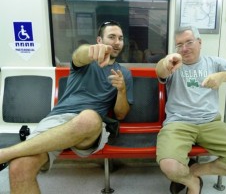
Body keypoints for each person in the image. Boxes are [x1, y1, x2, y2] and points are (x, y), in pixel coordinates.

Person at [0, 20, 133, 193]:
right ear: (99, 40)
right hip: (57, 120)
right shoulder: (84, 63)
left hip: (89, 129)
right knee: (19, 167)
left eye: (120, 38)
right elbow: (79, 55)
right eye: (112, 37)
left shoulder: (124, 73)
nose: (116, 42)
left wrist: (121, 90)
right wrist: (91, 51)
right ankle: (11, 156)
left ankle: (5, 153)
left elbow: (121, 115)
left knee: (88, 117)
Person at [155, 26, 226, 194]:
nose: (185, 48)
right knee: (169, 166)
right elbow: (160, 70)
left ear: (200, 42)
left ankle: (195, 171)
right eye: (179, 45)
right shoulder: (173, 64)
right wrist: (167, 60)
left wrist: (222, 76)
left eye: (189, 42)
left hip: (211, 123)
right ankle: (193, 183)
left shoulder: (214, 63)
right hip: (178, 122)